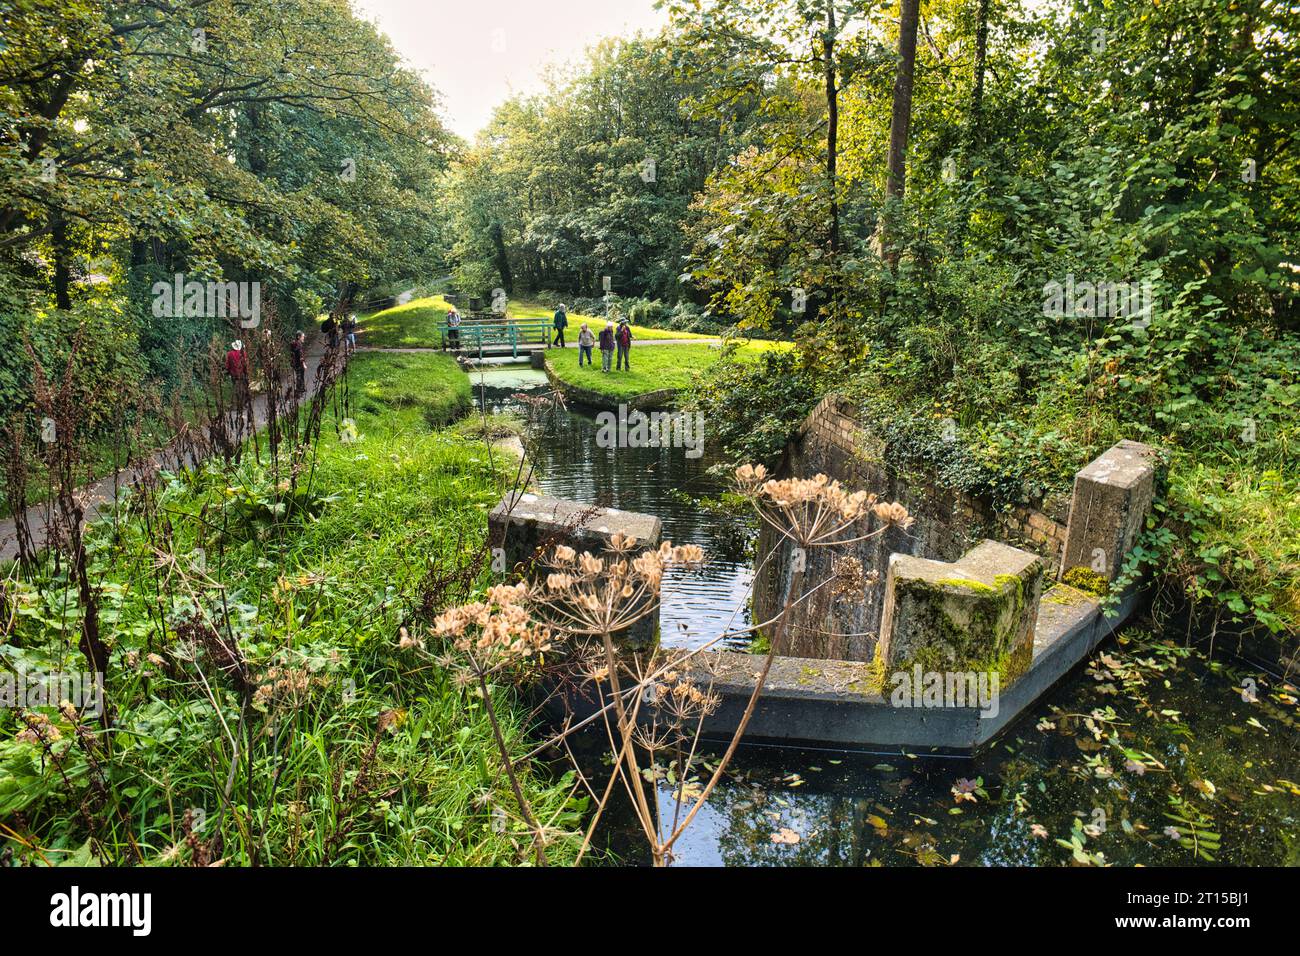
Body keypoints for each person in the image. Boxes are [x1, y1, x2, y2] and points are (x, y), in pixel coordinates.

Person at [225, 339, 249, 404]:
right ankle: (244, 401)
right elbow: (245, 363)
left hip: (233, 374)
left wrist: (227, 371)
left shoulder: (229, 354)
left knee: (235, 386)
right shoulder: (243, 353)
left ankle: (237, 400)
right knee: (244, 386)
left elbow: (227, 365)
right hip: (242, 373)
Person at [290, 331, 307, 396]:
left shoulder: (294, 344)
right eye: (302, 337)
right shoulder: (298, 345)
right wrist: (304, 364)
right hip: (298, 363)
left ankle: (301, 389)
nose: (303, 338)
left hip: (294, 363)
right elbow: (300, 355)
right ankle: (299, 390)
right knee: (300, 376)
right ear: (298, 337)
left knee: (299, 375)